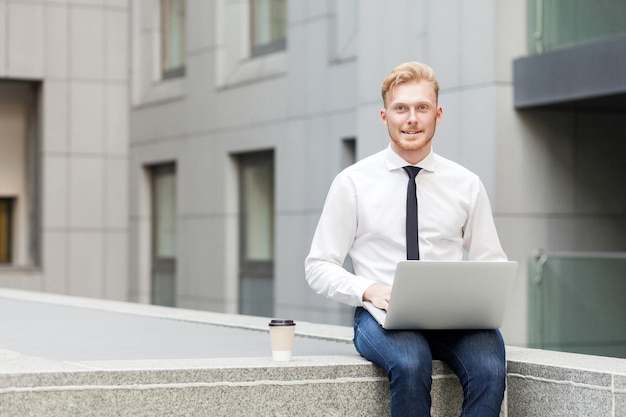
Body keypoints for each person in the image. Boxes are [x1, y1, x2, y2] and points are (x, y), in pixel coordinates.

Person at [304, 61, 508, 417]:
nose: (411, 118)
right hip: (382, 316)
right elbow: (318, 266)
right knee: (412, 363)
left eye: (421, 108)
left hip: (453, 317)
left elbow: (491, 261)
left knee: (491, 369)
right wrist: (369, 289)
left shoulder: (466, 184)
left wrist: (483, 295)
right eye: (401, 108)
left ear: (437, 114)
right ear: (384, 116)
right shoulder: (352, 183)